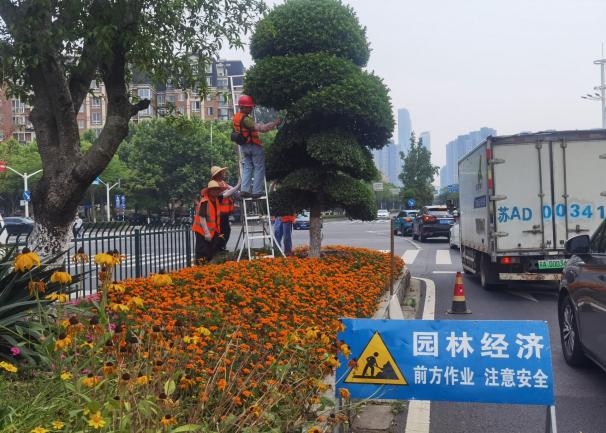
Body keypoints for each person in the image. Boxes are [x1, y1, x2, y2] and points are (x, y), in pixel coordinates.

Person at [232, 95, 281, 198]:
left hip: (244, 147)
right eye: (249, 107)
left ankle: (244, 190)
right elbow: (262, 128)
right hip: (253, 146)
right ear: (243, 107)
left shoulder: (236, 117)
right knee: (259, 168)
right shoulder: (246, 119)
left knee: (248, 167)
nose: (251, 109)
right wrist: (274, 123)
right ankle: (257, 191)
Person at [210, 166, 237, 250]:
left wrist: (235, 189)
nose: (223, 173)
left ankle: (222, 247)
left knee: (226, 230)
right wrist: (236, 187)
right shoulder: (214, 184)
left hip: (225, 213)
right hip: (219, 213)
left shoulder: (223, 182)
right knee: (221, 231)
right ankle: (219, 248)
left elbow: (232, 189)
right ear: (217, 174)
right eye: (221, 172)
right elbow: (225, 194)